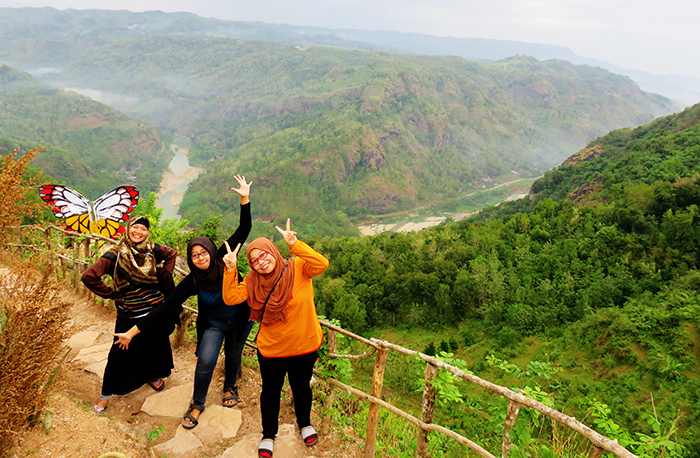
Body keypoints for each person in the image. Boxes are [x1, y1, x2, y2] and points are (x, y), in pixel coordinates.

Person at [113, 175, 253, 430]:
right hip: (214, 323)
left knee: (234, 356)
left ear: (211, 251)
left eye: (203, 253)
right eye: (194, 255)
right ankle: (197, 402)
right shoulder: (193, 281)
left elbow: (243, 230)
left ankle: (229, 387)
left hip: (241, 319)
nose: (200, 258)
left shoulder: (224, 257)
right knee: (206, 360)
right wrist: (133, 331)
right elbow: (165, 308)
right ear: (190, 259)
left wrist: (245, 198)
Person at [222, 218, 329, 458]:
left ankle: (305, 424)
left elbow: (322, 264)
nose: (261, 262)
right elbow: (230, 298)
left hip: (304, 344)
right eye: (254, 260)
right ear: (251, 265)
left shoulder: (299, 267)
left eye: (264, 255)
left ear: (273, 250)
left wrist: (295, 244)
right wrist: (230, 269)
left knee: (301, 387)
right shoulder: (251, 281)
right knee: (271, 391)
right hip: (272, 349)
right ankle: (268, 434)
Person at [82, 215, 177, 413]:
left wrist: (164, 276)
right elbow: (88, 276)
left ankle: (152, 376)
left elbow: (171, 254)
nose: (139, 232)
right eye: (135, 227)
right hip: (129, 314)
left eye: (143, 229)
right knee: (118, 355)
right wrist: (111, 294)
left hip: (154, 311)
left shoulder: (152, 250)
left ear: (148, 233)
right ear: (128, 229)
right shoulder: (115, 255)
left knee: (154, 347)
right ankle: (105, 398)